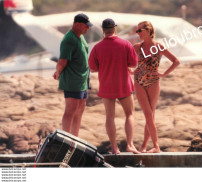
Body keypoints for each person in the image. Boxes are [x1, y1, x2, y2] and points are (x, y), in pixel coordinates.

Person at [89, 18, 140, 154]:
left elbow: (92, 68)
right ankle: (129, 144)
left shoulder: (97, 47)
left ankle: (114, 148)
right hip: (123, 84)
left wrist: (104, 67)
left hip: (106, 85)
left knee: (109, 117)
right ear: (115, 28)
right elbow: (134, 63)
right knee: (129, 114)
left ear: (103, 30)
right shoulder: (126, 44)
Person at [133, 21, 180, 153]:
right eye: (137, 31)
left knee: (150, 115)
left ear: (148, 30)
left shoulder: (159, 47)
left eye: (139, 31)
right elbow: (124, 61)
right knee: (148, 114)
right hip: (139, 82)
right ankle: (155, 146)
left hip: (154, 82)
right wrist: (130, 70)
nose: (138, 33)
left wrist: (163, 74)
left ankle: (148, 146)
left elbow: (176, 61)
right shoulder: (136, 47)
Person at [53, 13, 93, 137]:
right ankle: (66, 137)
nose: (87, 28)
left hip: (82, 80)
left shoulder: (80, 36)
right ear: (77, 24)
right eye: (85, 26)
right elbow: (62, 61)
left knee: (80, 110)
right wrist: (58, 73)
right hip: (72, 80)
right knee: (70, 110)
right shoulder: (69, 39)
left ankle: (75, 137)